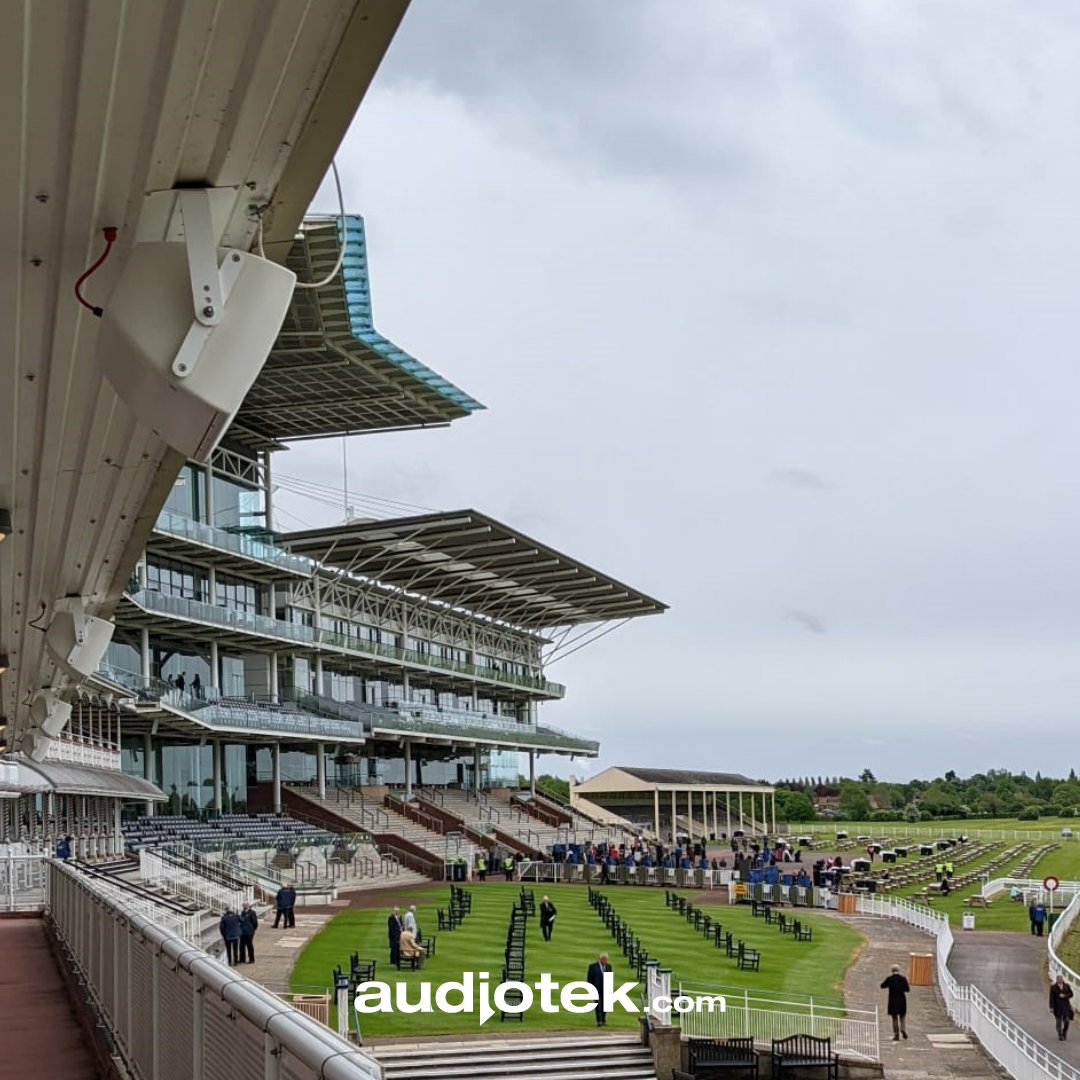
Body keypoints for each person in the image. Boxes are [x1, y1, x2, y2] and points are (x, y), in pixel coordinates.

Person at [880, 964, 910, 1041]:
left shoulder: (890, 979)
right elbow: (907, 989)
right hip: (902, 1000)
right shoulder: (903, 979)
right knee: (902, 1016)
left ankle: (896, 1034)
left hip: (893, 1001)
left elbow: (882, 986)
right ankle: (903, 1029)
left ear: (892, 971)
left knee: (894, 1018)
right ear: (898, 970)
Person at [586, 952, 613, 1027]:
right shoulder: (593, 966)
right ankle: (599, 1021)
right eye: (603, 959)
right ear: (600, 959)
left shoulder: (608, 966)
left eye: (606, 959)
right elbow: (589, 978)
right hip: (596, 989)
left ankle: (603, 1020)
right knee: (598, 1005)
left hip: (606, 989)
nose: (604, 961)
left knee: (605, 1006)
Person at [1050, 974, 1075, 1041]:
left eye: (1061, 979)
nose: (1061, 980)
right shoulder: (1053, 987)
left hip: (1066, 1007)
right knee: (1059, 1022)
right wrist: (1051, 1007)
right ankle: (1060, 1035)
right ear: (1057, 980)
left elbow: (1071, 994)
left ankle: (1064, 1032)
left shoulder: (1067, 986)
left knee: (1067, 1021)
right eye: (1059, 979)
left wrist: (1065, 996)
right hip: (1057, 1007)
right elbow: (1051, 998)